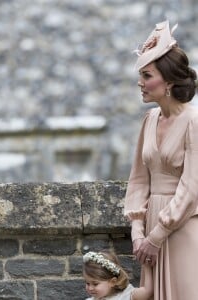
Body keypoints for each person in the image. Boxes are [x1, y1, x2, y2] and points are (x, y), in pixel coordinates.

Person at [124, 20, 198, 300]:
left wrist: (157, 236)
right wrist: (137, 231)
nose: (140, 83)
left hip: (182, 228)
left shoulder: (194, 121)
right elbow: (138, 179)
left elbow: (191, 188)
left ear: (168, 82)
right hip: (150, 232)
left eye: (147, 75)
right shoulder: (149, 120)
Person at [83, 251, 153, 300]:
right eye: (87, 283)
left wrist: (146, 265)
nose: (90, 288)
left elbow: (147, 292)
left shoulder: (126, 295)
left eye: (95, 284)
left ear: (112, 282)